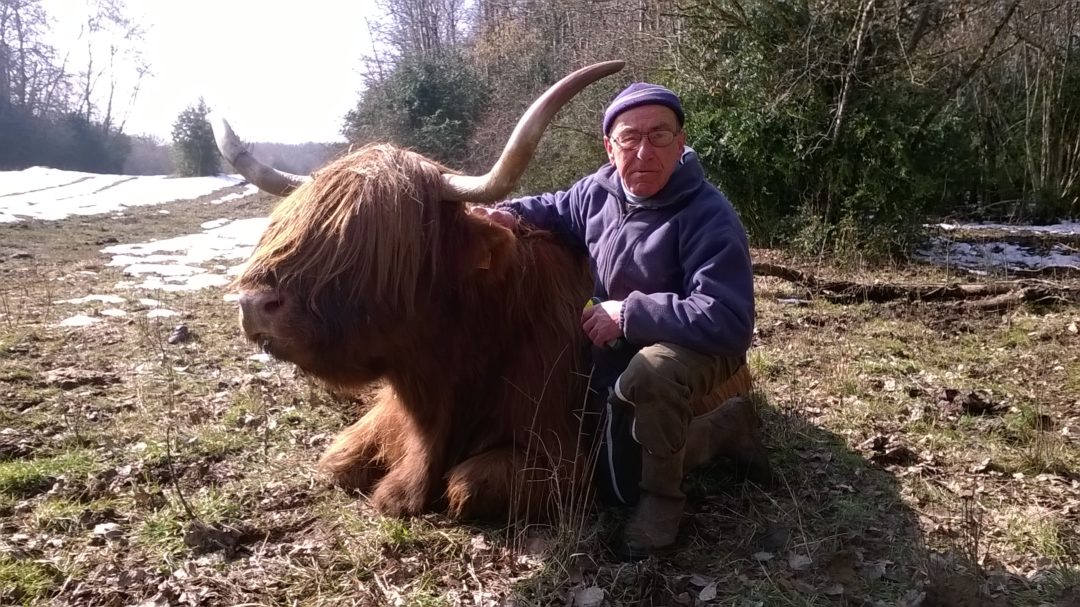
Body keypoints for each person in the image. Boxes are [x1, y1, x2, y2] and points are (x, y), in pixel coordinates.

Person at [473, 83, 769, 560]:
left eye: (659, 135)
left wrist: (630, 313)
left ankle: (661, 505)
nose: (644, 152)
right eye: (629, 138)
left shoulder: (709, 214)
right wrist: (506, 213)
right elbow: (553, 207)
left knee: (646, 396)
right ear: (609, 148)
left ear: (680, 142)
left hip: (696, 343)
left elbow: (729, 320)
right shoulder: (598, 191)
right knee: (608, 470)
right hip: (623, 337)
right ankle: (722, 426)